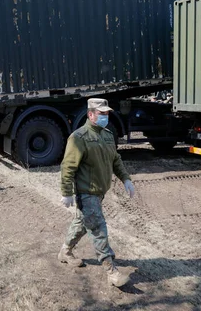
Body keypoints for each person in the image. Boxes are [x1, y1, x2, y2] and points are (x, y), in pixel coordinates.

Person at [58, 98, 136, 287]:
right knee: (98, 228)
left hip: (100, 192)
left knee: (82, 223)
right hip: (86, 192)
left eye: (107, 113)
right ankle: (111, 270)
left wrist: (125, 178)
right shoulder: (79, 137)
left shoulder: (108, 135)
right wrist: (66, 192)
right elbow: (68, 167)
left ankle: (65, 251)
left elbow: (115, 159)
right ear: (90, 114)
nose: (105, 116)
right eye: (101, 113)